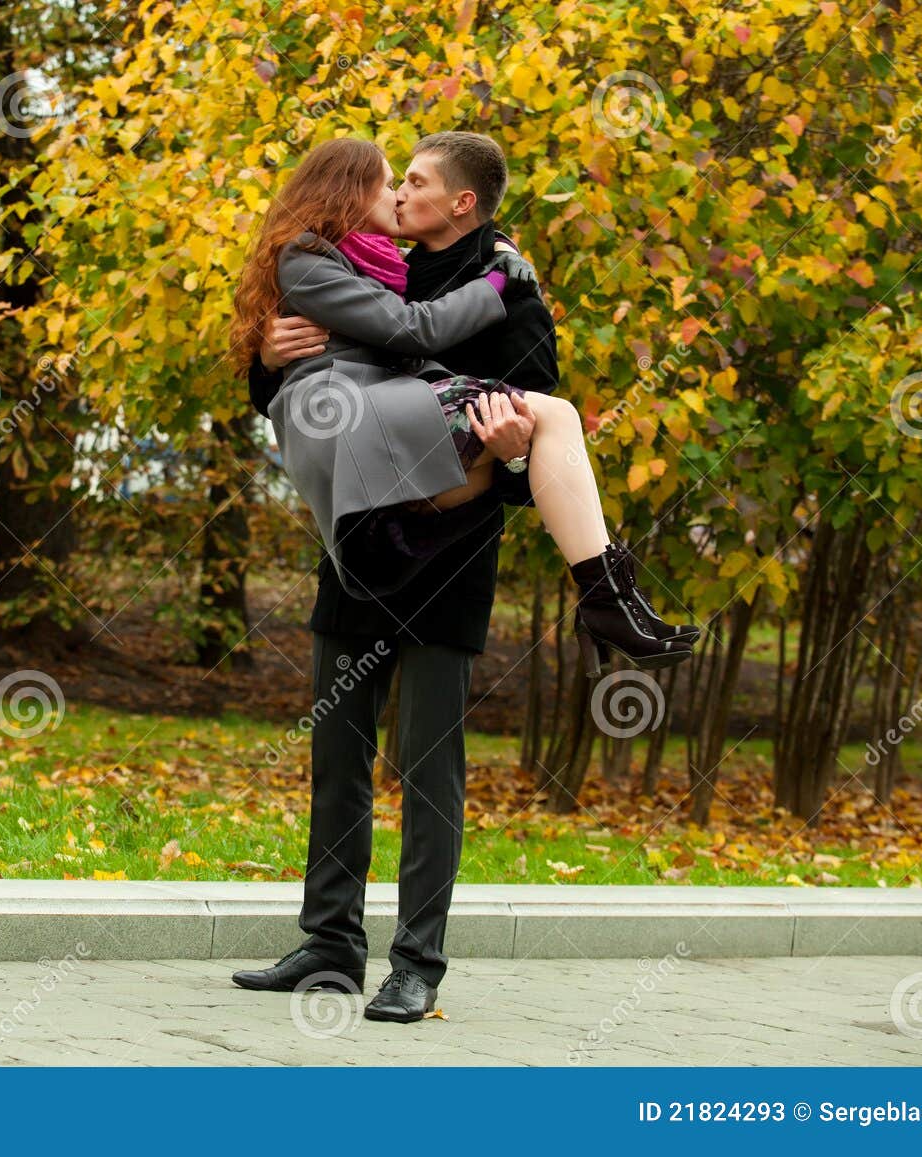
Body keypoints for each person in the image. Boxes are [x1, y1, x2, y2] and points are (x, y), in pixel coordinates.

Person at [227, 132, 697, 1022]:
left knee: (431, 763)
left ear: (462, 205)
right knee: (338, 755)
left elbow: (539, 416)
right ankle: (329, 944)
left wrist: (512, 450)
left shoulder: (511, 285)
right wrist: (269, 355)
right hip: (363, 539)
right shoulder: (378, 263)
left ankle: (417, 963)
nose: (399, 194)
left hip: (449, 550)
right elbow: (306, 379)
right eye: (393, 181)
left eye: (415, 183)